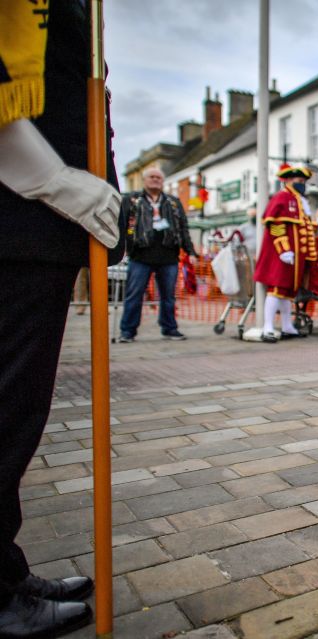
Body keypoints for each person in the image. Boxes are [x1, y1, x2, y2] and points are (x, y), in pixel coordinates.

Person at [0, 2, 127, 635]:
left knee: (18, 413)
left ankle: (2, 566)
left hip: (40, 228)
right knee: (4, 412)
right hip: (14, 215)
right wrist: (52, 179)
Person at [118, 166, 197, 342]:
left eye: (158, 177)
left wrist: (191, 251)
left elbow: (183, 229)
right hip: (140, 256)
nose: (155, 180)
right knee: (134, 295)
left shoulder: (173, 202)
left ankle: (169, 328)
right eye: (152, 177)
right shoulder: (131, 200)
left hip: (168, 256)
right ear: (144, 180)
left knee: (168, 296)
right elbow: (122, 226)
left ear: (163, 181)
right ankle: (127, 331)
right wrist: (121, 249)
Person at [253, 164, 318, 341]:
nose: (302, 184)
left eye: (304, 181)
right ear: (288, 180)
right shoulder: (282, 198)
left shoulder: (299, 200)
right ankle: (267, 327)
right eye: (299, 181)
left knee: (288, 292)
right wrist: (284, 250)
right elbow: (275, 225)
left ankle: (287, 326)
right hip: (282, 255)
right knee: (276, 289)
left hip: (296, 257)